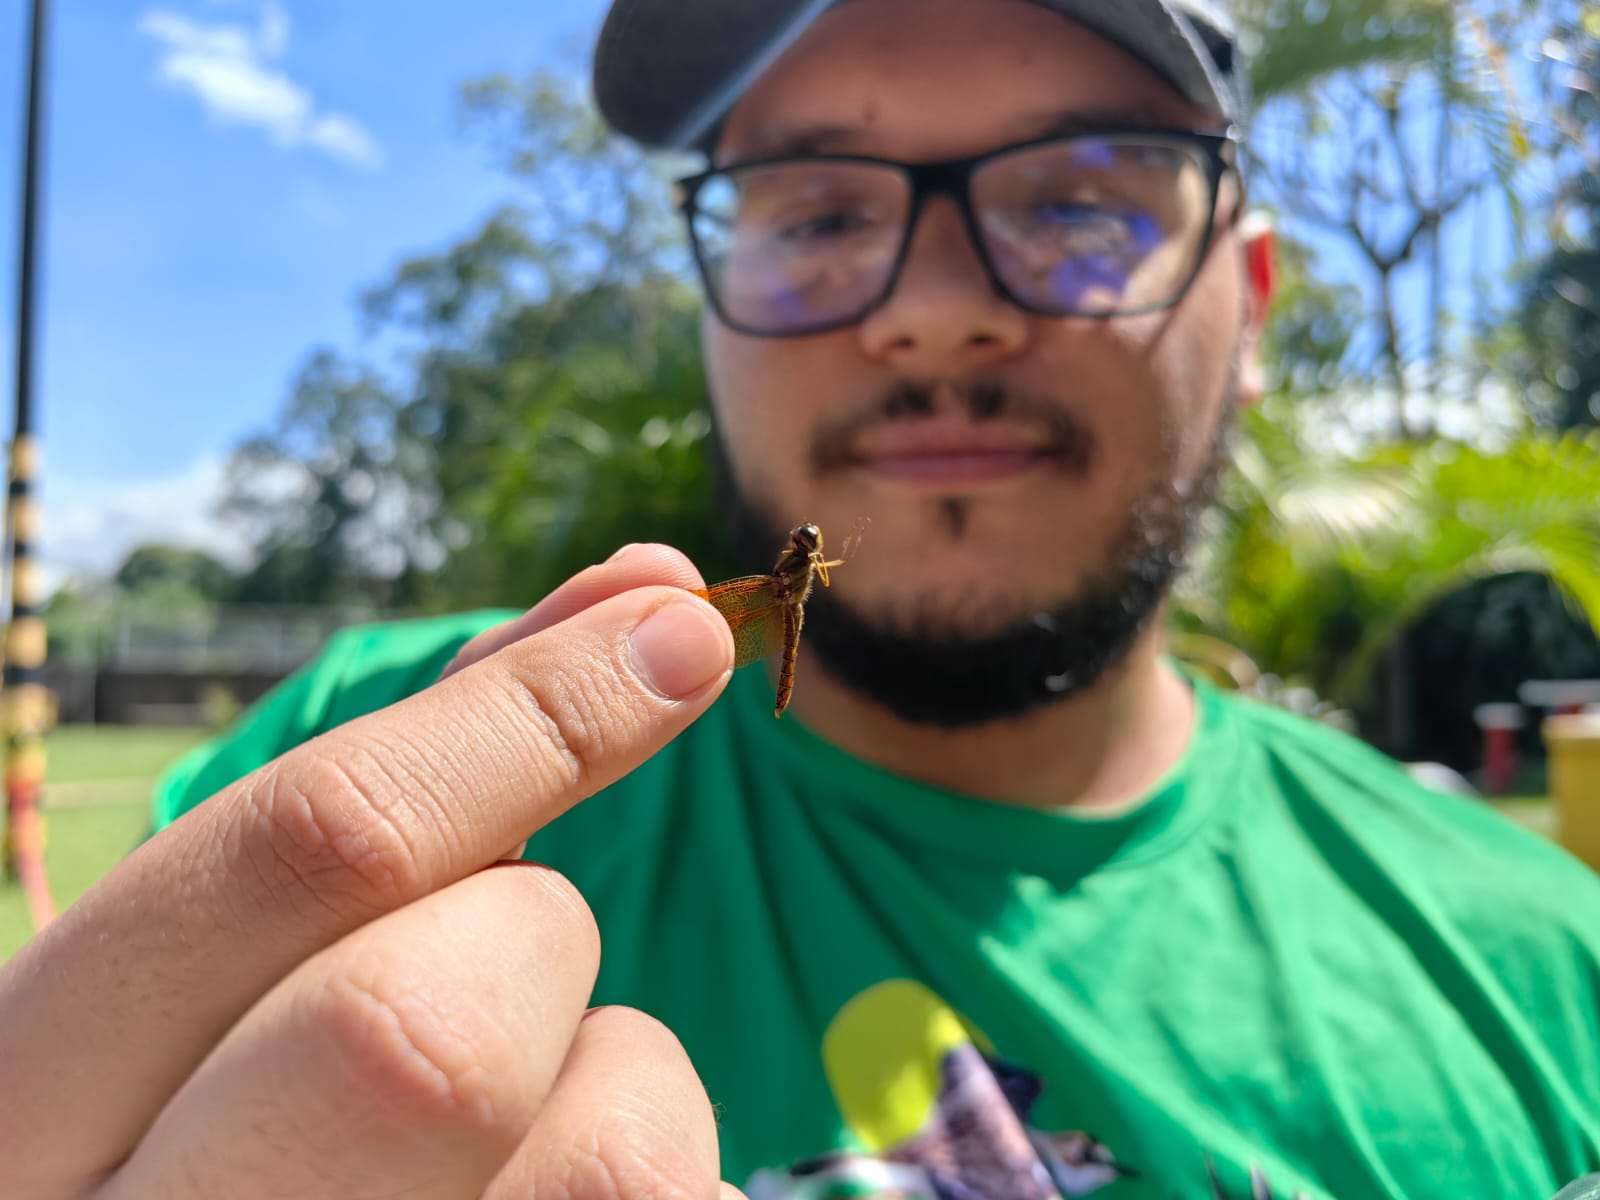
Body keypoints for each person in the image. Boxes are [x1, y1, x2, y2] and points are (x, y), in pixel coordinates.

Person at [4, 0, 1598, 1196]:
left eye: (1078, 197)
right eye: (821, 212)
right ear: (706, 311)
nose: (934, 312)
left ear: (1248, 306)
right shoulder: (375, 761)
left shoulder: (1546, 971)